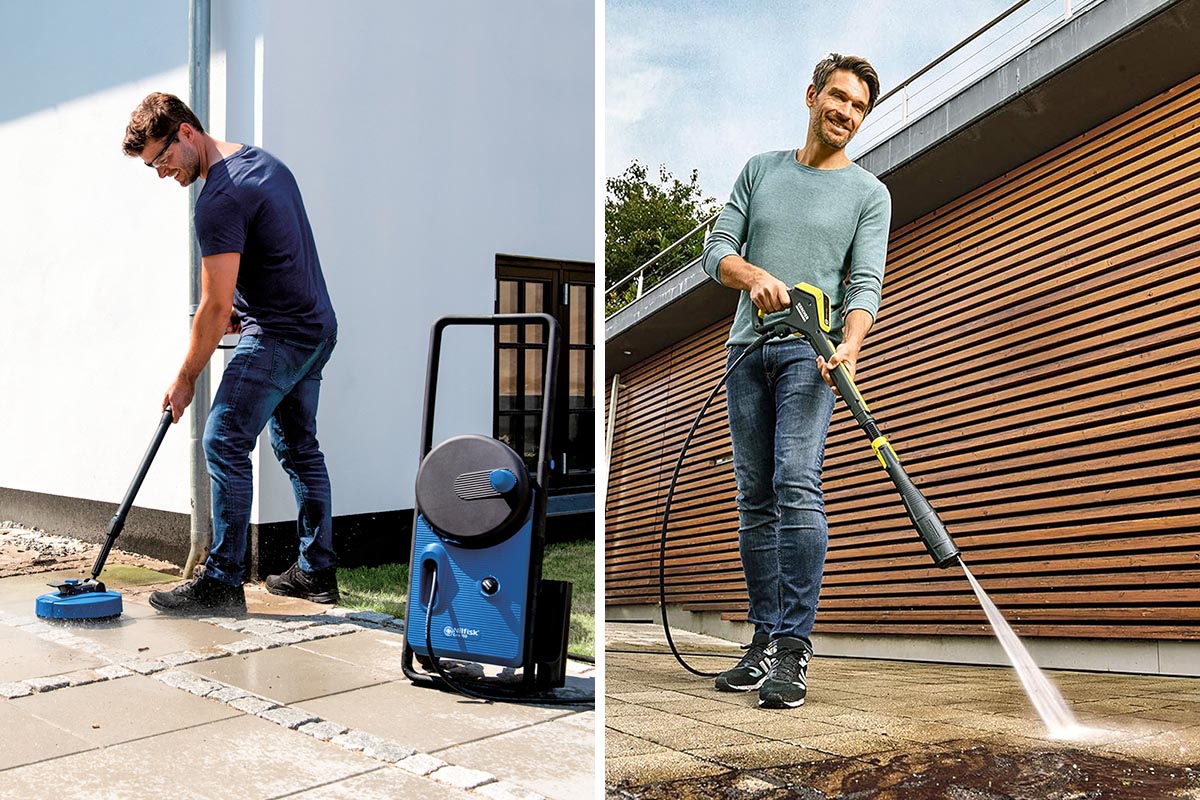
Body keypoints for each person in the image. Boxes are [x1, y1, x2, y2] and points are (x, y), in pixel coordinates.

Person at [700, 54, 891, 709]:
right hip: (746, 354)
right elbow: (715, 250)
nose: (844, 112)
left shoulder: (869, 194)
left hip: (812, 358)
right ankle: (762, 639)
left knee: (794, 482)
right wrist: (753, 278)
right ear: (812, 95)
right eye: (836, 97)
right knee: (754, 497)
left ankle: (792, 649)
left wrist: (852, 345)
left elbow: (864, 283)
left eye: (858, 106)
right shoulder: (761, 171)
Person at [122, 92, 340, 614]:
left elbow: (213, 307)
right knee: (299, 449)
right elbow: (276, 253)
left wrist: (184, 379)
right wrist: (246, 304)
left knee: (222, 439)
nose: (161, 174)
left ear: (185, 133)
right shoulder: (263, 162)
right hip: (316, 329)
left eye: (162, 159)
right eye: (152, 167)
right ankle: (316, 571)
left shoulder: (217, 199)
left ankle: (221, 580)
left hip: (281, 334)